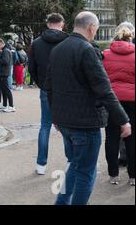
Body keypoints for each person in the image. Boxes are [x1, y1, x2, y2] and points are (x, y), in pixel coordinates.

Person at [46, 11, 131, 205]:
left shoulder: (58, 49)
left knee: (75, 166)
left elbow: (49, 86)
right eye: (96, 29)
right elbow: (104, 89)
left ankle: (61, 202)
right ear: (91, 28)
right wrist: (123, 119)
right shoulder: (87, 50)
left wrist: (55, 117)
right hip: (84, 123)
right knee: (86, 173)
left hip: (65, 121)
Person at [28, 13, 69, 175]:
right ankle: (70, 161)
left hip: (46, 87)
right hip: (66, 88)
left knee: (45, 125)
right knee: (67, 125)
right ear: (62, 24)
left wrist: (41, 83)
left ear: (48, 24)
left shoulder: (37, 43)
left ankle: (41, 164)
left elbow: (31, 67)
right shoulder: (68, 41)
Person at [103, 22, 135, 186]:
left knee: (112, 136)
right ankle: (133, 176)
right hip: (132, 100)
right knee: (132, 137)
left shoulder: (105, 54)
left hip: (112, 100)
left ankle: (113, 174)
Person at [0, 39, 15, 113]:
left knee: (7, 89)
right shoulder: (4, 50)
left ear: (1, 43)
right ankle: (4, 105)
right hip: (3, 72)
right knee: (4, 89)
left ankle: (11, 106)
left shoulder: (5, 51)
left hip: (4, 72)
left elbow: (6, 61)